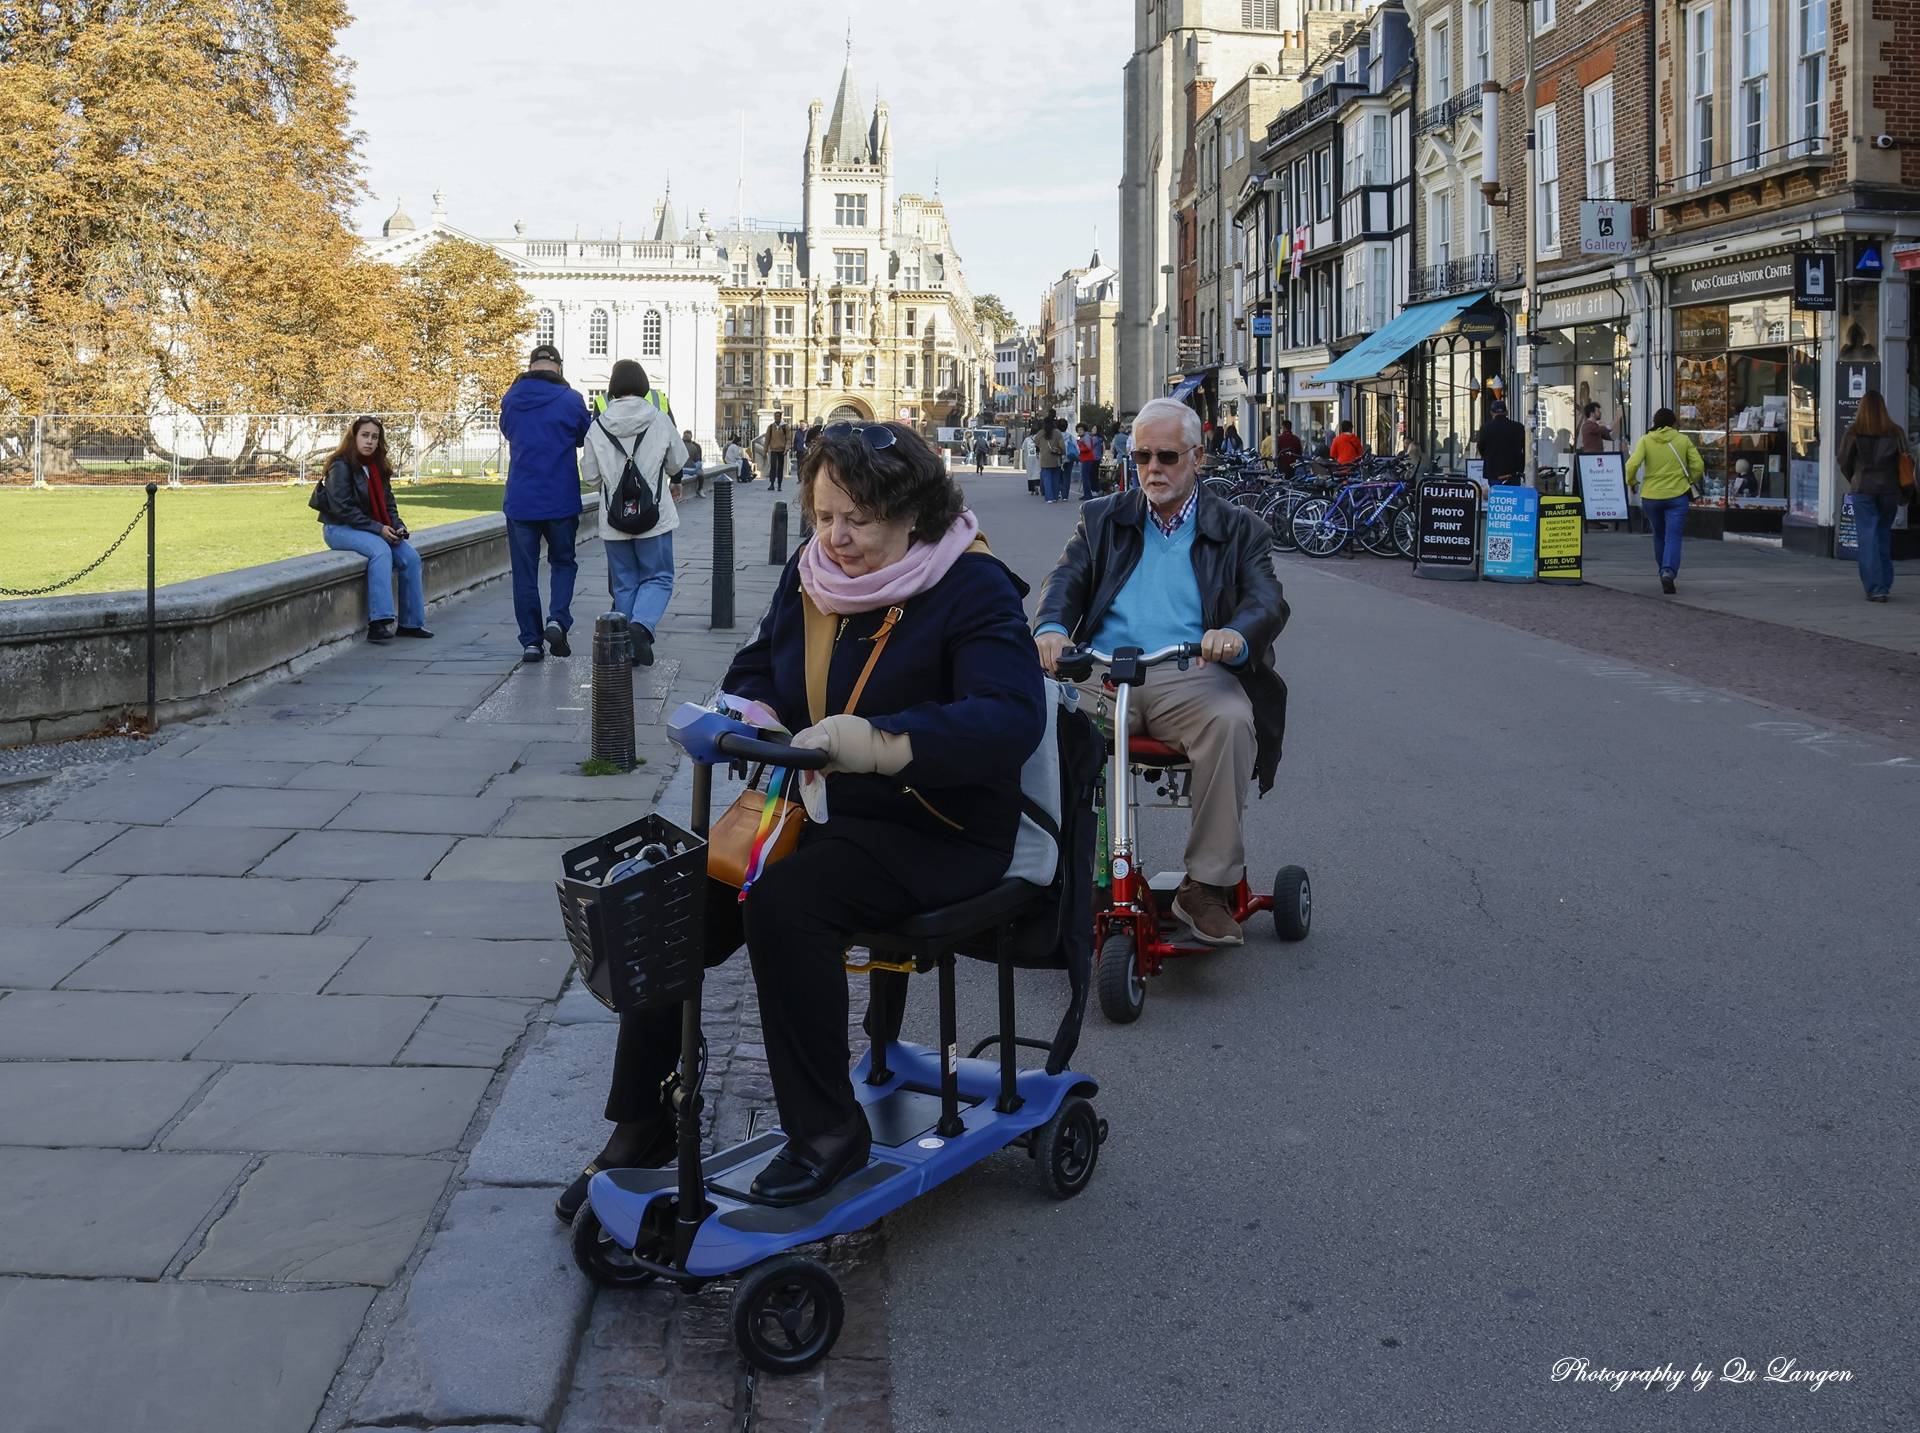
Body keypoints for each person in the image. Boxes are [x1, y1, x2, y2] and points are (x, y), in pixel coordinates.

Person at [556, 420, 1045, 1220]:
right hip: (815, 809)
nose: (838, 538)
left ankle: (826, 1133)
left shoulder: (972, 585)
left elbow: (1008, 719)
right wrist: (744, 712)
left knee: (788, 904)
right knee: (664, 896)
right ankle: (641, 1123)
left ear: (914, 513)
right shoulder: (812, 573)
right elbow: (759, 665)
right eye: (824, 516)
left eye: (859, 520)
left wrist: (885, 745)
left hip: (937, 825)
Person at [1033, 396, 1289, 947]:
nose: (1152, 469)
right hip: (1102, 671)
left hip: (1189, 673)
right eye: (1141, 455)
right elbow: (1066, 581)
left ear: (1197, 457)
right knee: (1037, 720)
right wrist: (1051, 628)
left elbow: (1266, 599)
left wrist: (1236, 635)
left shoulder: (1240, 528)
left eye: (1167, 456)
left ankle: (1205, 887)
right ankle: (1077, 875)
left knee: (1228, 719)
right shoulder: (1101, 518)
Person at [582, 360, 687, 668]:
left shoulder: (598, 424)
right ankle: (641, 625)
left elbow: (589, 476)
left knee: (625, 583)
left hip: (614, 520)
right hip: (654, 516)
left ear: (612, 387)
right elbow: (677, 462)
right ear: (643, 384)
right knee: (659, 576)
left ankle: (625, 648)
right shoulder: (658, 417)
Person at [500, 342, 591, 662]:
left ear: (531, 365)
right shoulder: (572, 400)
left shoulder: (511, 399)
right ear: (559, 368)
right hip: (560, 498)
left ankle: (531, 641)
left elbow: (509, 433)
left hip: (522, 500)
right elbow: (583, 436)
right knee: (563, 563)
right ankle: (557, 619)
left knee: (524, 573)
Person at [317, 417, 430, 642]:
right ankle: (378, 622)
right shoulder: (340, 465)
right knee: (381, 550)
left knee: (411, 557)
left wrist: (397, 526)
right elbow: (343, 509)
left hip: (371, 528)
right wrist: (379, 529)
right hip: (339, 528)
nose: (369, 441)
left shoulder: (378, 466)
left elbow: (389, 504)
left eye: (375, 437)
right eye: (365, 435)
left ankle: (410, 623)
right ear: (354, 437)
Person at [1838, 388, 1909, 603]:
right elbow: (1906, 460)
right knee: (1883, 534)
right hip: (1888, 489)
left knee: (1867, 538)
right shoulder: (1896, 432)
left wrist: (1855, 477)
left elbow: (1843, 461)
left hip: (1863, 489)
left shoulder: (1854, 431)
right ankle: (1884, 583)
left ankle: (1875, 587)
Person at [1625, 408, 1705, 595]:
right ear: (1673, 423)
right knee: (1673, 536)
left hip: (1651, 496)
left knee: (1659, 534)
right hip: (1677, 496)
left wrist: (1632, 482)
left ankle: (1663, 570)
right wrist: (1689, 479)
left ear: (1655, 422)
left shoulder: (1646, 440)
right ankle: (1668, 571)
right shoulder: (1682, 440)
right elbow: (1698, 465)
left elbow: (1632, 464)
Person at [1474, 400, 1526, 484]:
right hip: (1513, 471)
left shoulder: (1486, 427)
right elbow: (1525, 448)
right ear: (1506, 412)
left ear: (1491, 412)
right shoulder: (1518, 427)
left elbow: (1481, 447)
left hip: (1493, 470)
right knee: (1513, 495)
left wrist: (1488, 456)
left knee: (1496, 495)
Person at [1036, 418, 1068, 504]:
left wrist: (1042, 447)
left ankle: (1049, 498)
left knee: (1047, 480)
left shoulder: (1041, 433)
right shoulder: (1057, 432)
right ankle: (1054, 497)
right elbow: (1062, 446)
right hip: (1055, 459)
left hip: (1045, 460)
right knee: (1055, 479)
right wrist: (1062, 453)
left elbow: (1035, 442)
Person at [764, 415, 791, 491]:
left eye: (778, 416)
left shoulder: (785, 427)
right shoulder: (770, 427)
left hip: (781, 450)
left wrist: (786, 448)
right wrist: (765, 450)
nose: (776, 418)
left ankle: (779, 485)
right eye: (775, 416)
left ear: (780, 417)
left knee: (780, 468)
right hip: (773, 450)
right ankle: (772, 484)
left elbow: (788, 439)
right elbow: (767, 439)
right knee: (773, 467)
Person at [681, 430, 705, 498]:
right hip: (690, 469)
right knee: (701, 473)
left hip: (679, 469)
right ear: (691, 437)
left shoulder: (678, 445)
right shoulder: (695, 446)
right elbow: (698, 460)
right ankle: (700, 489)